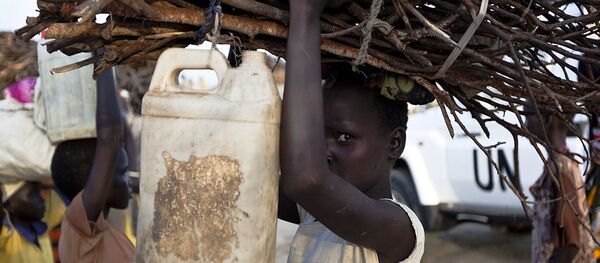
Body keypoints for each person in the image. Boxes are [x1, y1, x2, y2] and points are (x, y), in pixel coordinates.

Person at [278, 1, 425, 262]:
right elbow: (247, 179)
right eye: (318, 135)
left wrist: (305, 11)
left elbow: (305, 178)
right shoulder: (311, 211)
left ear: (395, 143)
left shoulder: (399, 228)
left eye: (344, 137)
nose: (322, 152)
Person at [50, 67, 134, 263]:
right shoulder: (80, 231)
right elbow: (110, 141)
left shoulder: (105, 232)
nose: (129, 180)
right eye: (122, 173)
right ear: (98, 177)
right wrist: (103, 63)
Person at [527, 108, 594, 262]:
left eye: (527, 114)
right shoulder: (559, 163)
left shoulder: (561, 169)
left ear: (548, 119)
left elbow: (571, 245)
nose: (525, 122)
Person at [0, 181, 54, 263]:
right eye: (32, 195)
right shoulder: (4, 234)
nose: (42, 198)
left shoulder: (42, 224)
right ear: (9, 204)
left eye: (39, 192)